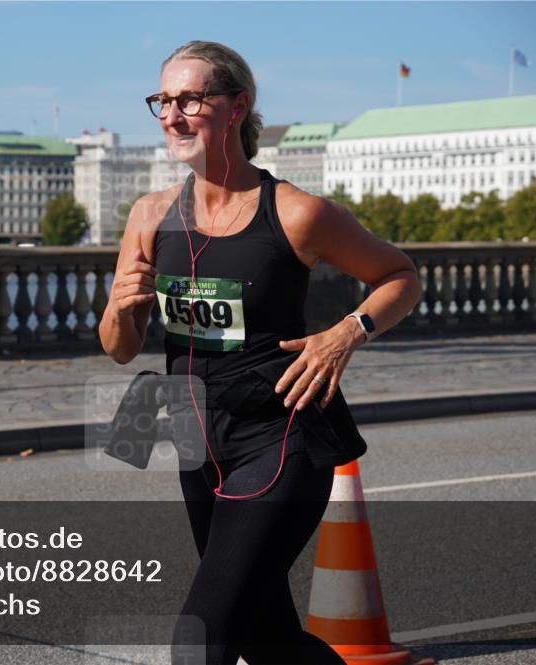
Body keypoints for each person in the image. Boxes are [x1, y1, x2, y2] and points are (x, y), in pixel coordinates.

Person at [98, 41, 423, 664]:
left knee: (200, 639)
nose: (172, 114)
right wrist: (120, 307)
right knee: (262, 636)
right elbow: (119, 350)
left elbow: (400, 276)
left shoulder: (296, 213)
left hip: (280, 436)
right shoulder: (149, 215)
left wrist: (346, 331)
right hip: (197, 439)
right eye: (162, 101)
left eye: (190, 98)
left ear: (237, 107)